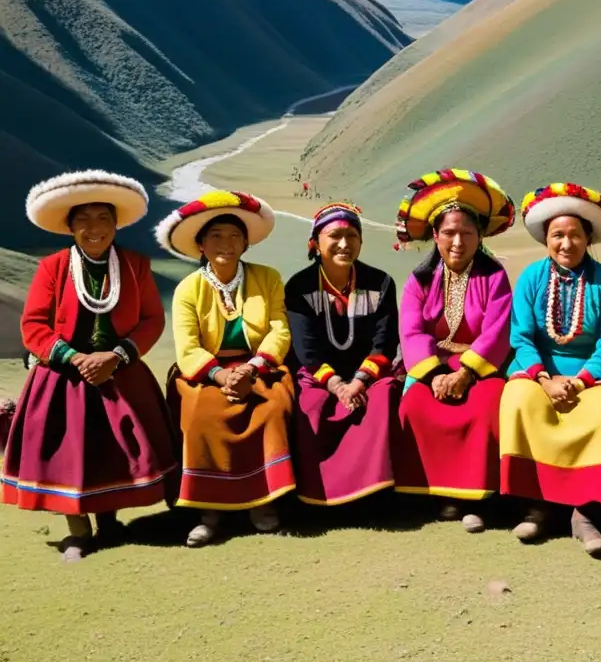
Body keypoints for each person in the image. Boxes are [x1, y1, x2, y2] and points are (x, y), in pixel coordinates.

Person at [3, 171, 177, 562]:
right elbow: (33, 325)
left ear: (116, 224)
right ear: (70, 226)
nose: (94, 228)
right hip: (64, 374)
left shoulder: (135, 265)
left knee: (112, 449)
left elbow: (151, 319)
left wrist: (115, 356)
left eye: (103, 218)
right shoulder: (52, 267)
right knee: (69, 452)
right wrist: (77, 358)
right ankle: (78, 532)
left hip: (120, 369)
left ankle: (110, 523)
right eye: (84, 219)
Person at [156, 191, 294, 546]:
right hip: (206, 371)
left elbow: (279, 330)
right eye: (215, 235)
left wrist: (251, 370)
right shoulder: (189, 288)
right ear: (200, 244)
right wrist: (221, 376)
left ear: (246, 243)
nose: (226, 243)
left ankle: (264, 501)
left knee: (272, 407)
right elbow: (187, 346)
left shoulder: (268, 278)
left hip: (259, 367)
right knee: (202, 413)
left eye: (235, 236)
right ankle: (209, 511)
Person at [499, 183, 601, 558]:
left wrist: (582, 379)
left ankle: (584, 512)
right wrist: (544, 378)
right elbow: (521, 336)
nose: (566, 243)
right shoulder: (531, 278)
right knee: (519, 402)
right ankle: (537, 506)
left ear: (588, 238)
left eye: (575, 235)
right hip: (538, 369)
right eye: (558, 235)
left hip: (592, 372)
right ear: (546, 240)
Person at [391, 169, 515, 532]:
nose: (457, 241)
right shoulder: (419, 280)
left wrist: (465, 373)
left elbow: (497, 330)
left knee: (487, 407)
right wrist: (435, 375)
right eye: (449, 233)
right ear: (435, 235)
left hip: (479, 366)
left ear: (480, 236)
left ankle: (475, 498)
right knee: (414, 406)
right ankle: (432, 493)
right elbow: (410, 331)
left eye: (466, 233)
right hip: (431, 366)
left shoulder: (494, 277)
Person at [285, 203, 401, 506]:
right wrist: (337, 385)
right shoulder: (299, 287)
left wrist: (358, 382)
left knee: (384, 397)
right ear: (315, 243)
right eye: (334, 235)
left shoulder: (381, 283)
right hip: (318, 373)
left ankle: (375, 493)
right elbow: (305, 348)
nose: (344, 244)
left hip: (368, 373)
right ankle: (317, 493)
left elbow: (384, 343)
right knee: (312, 404)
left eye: (352, 235)